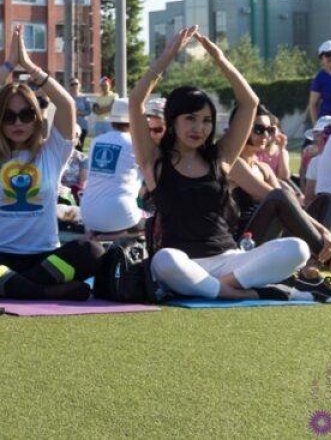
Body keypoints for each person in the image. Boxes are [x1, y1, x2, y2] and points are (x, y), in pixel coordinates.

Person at [131, 26, 312, 301]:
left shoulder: (221, 157)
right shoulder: (154, 160)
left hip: (230, 261)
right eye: (190, 118)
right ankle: (246, 294)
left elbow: (250, 102)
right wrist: (168, 55)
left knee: (298, 249)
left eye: (206, 121)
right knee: (164, 260)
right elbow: (136, 102)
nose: (199, 128)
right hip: (184, 262)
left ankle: (225, 289)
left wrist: (219, 59)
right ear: (174, 121)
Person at [0, 27, 104, 301]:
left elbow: (66, 105)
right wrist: (7, 65)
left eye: (26, 114)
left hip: (43, 259)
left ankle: (7, 287)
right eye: (9, 116)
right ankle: (42, 291)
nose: (18, 122)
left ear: (36, 117)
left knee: (93, 252)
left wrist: (29, 67)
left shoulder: (52, 152)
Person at [226, 104, 331, 293]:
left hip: (274, 238)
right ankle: (329, 257)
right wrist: (322, 232)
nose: (266, 136)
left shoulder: (264, 168)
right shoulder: (233, 163)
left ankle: (312, 269)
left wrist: (324, 230)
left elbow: (290, 206)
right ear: (241, 128)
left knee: (328, 200)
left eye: (269, 130)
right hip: (245, 245)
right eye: (259, 129)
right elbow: (277, 198)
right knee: (278, 196)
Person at [79, 98, 143, 237]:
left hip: (88, 214)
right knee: (152, 219)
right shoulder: (135, 143)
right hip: (122, 214)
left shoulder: (96, 141)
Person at [309, 40, 331, 125]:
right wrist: (316, 126)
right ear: (321, 58)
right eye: (328, 55)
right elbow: (313, 105)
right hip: (328, 124)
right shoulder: (319, 78)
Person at [67, 77, 90, 150]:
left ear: (79, 85)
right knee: (69, 147)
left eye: (76, 84)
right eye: (72, 84)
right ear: (69, 86)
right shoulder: (66, 97)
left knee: (79, 146)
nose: (74, 86)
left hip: (82, 125)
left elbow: (89, 111)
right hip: (69, 126)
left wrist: (79, 112)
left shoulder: (84, 97)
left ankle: (78, 161)